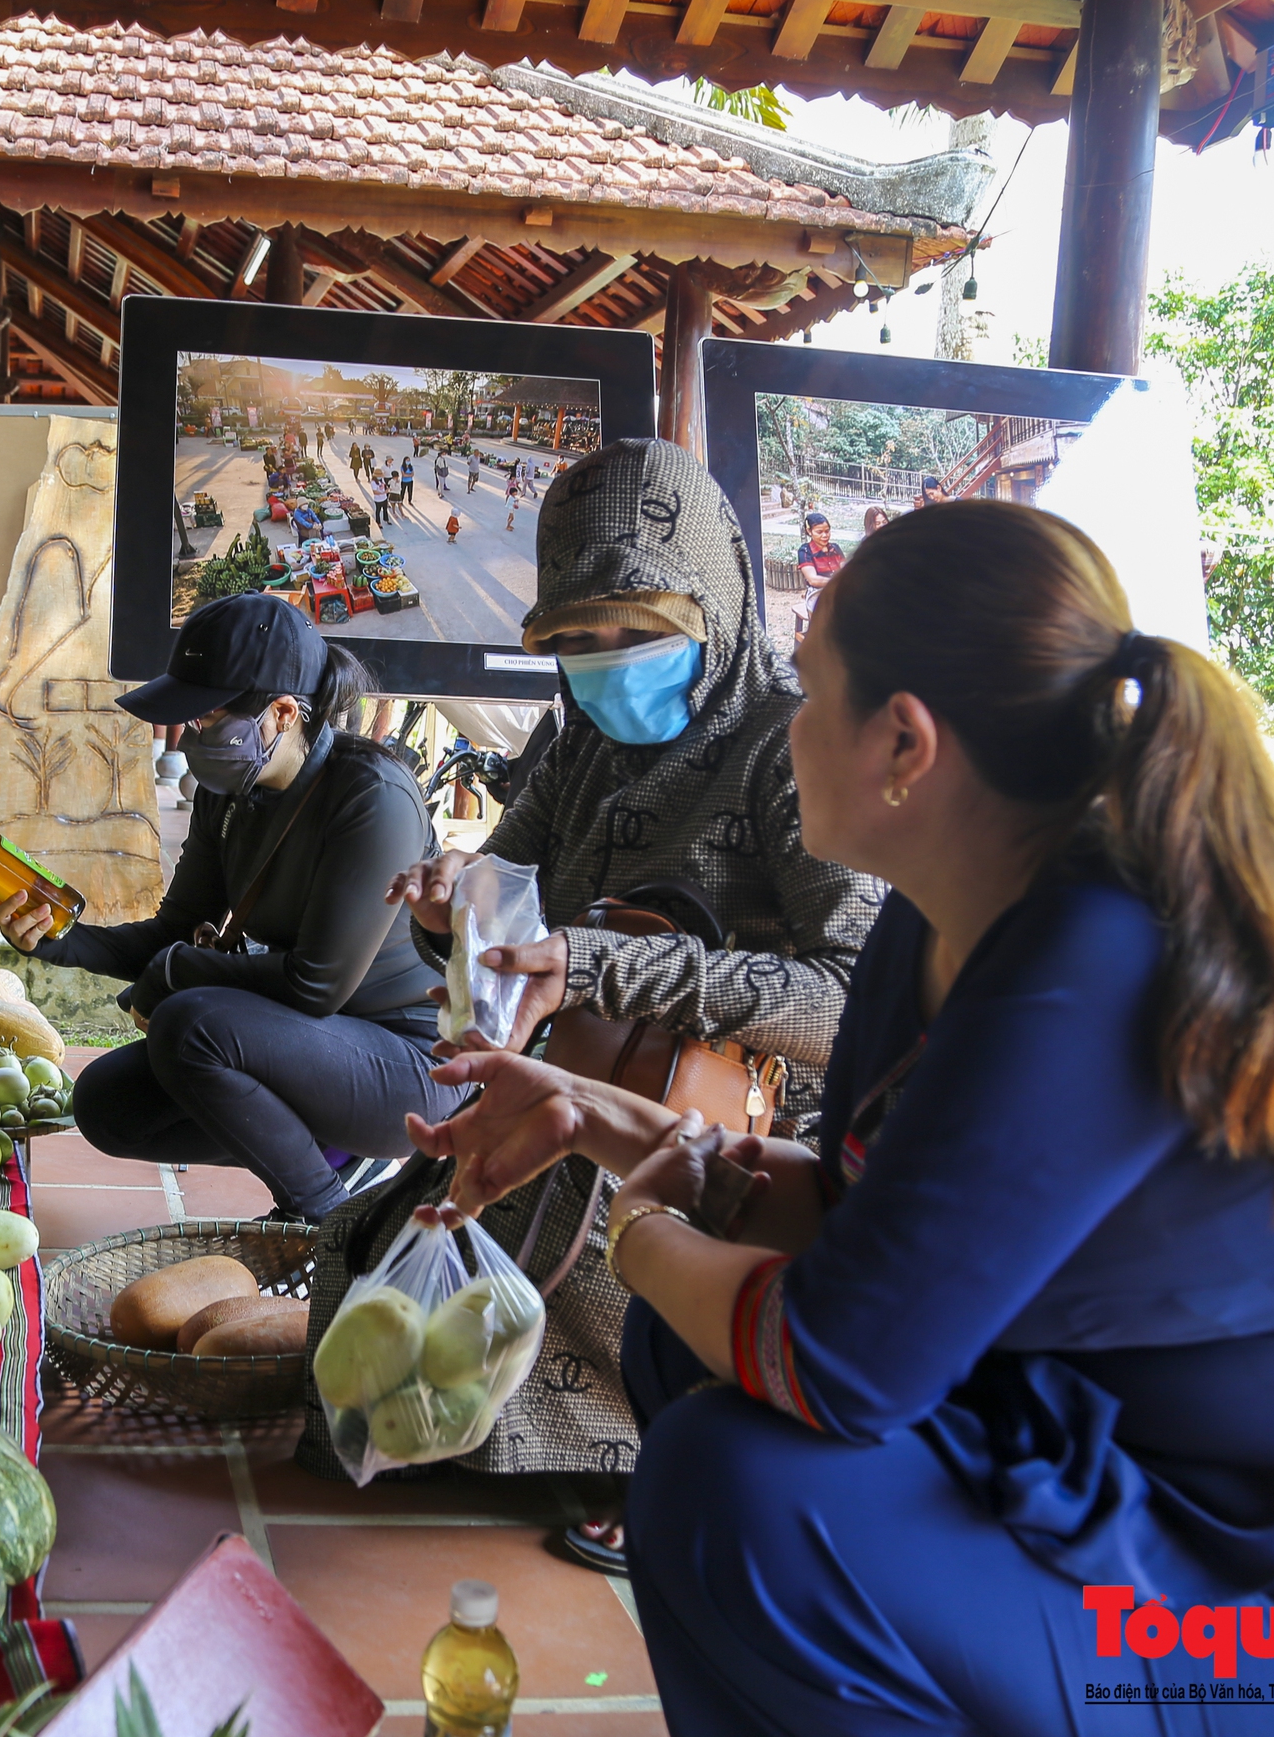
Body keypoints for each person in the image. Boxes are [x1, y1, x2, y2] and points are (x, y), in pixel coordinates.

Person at [412, 501, 1274, 1728]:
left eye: (806, 696)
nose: (787, 730)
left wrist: (635, 1240)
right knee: (683, 1368)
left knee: (736, 1491)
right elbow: (865, 1225)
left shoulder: (1095, 957)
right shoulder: (938, 920)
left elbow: (839, 1362)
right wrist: (595, 1119)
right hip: (1128, 1468)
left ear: (903, 744)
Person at [325, 438, 877, 1567]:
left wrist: (603, 965)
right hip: (576, 1066)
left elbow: (846, 996)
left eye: (635, 633)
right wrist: (455, 906)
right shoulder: (578, 738)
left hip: (745, 1122)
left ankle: (648, 1452)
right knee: (389, 1257)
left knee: (570, 1246)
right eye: (574, 641)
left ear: (715, 604)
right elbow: (509, 893)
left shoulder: (790, 744)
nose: (603, 663)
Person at [0, 595, 448, 1223]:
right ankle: (327, 1153)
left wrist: (174, 975)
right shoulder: (229, 797)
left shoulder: (373, 797)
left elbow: (317, 985)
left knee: (193, 1023)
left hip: (410, 1067)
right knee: (107, 1105)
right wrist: (58, 936)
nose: (193, 733)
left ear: (283, 712)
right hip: (304, 1046)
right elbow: (173, 933)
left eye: (208, 716)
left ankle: (328, 1220)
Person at [792, 510, 844, 638]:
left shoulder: (835, 548)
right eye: (819, 532)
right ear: (809, 532)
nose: (825, 535)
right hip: (817, 593)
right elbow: (813, 580)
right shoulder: (805, 551)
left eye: (827, 531)